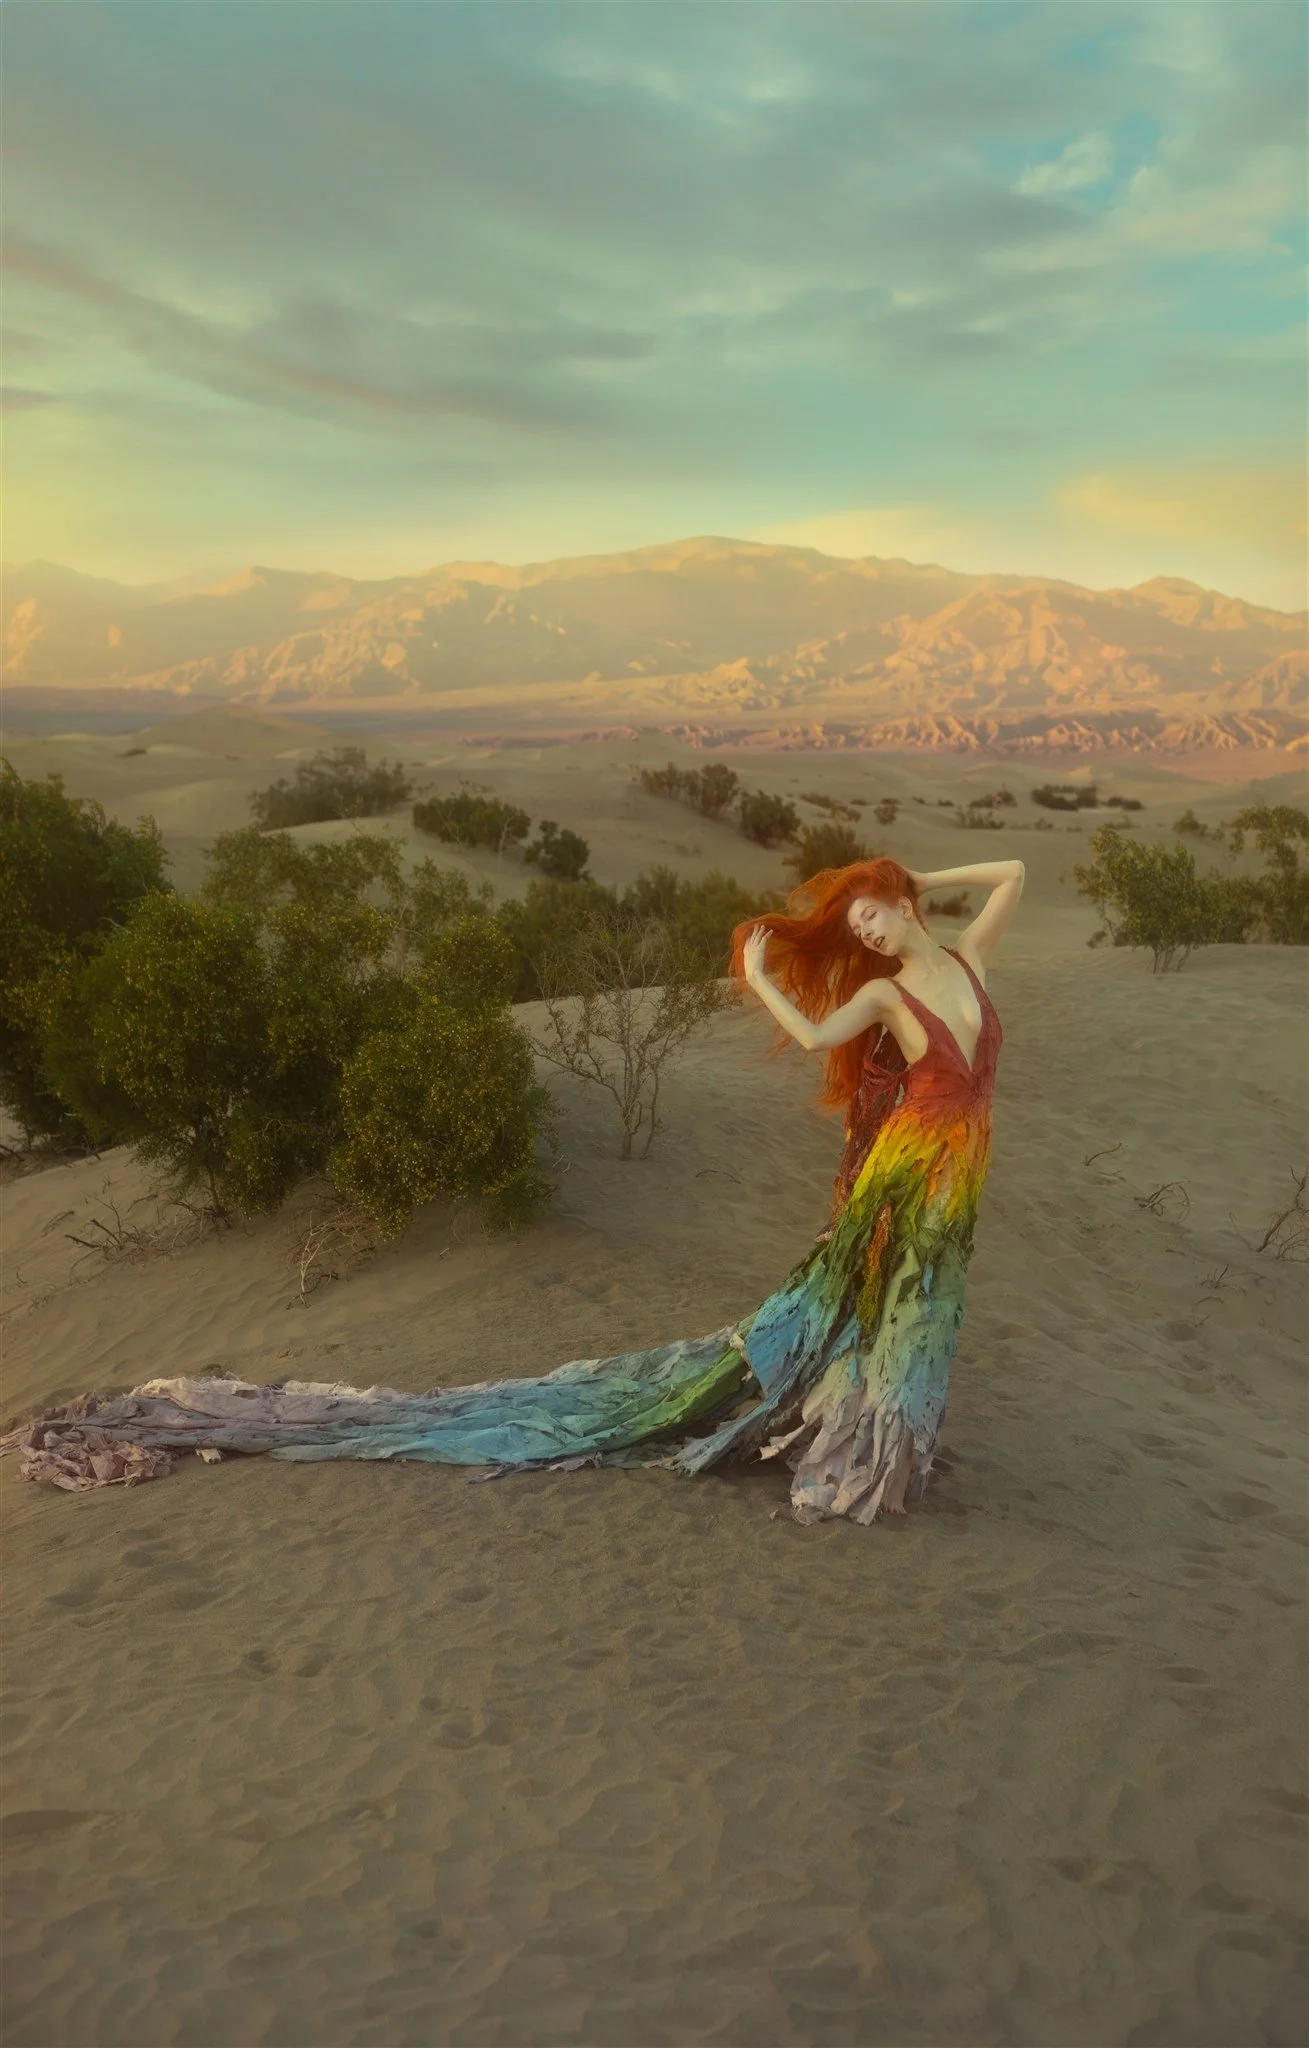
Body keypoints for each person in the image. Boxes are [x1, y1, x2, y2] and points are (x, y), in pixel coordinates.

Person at [5, 854, 1023, 1528]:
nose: (876, 933)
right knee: (887, 1310)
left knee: (920, 1314)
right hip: (906, 1179)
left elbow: (1014, 869)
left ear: (905, 900)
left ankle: (883, 1442)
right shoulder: (884, 993)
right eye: (863, 922)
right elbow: (810, 1037)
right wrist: (760, 975)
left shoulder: (965, 957)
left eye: (879, 912)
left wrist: (917, 874)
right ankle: (861, 1452)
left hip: (955, 1175)